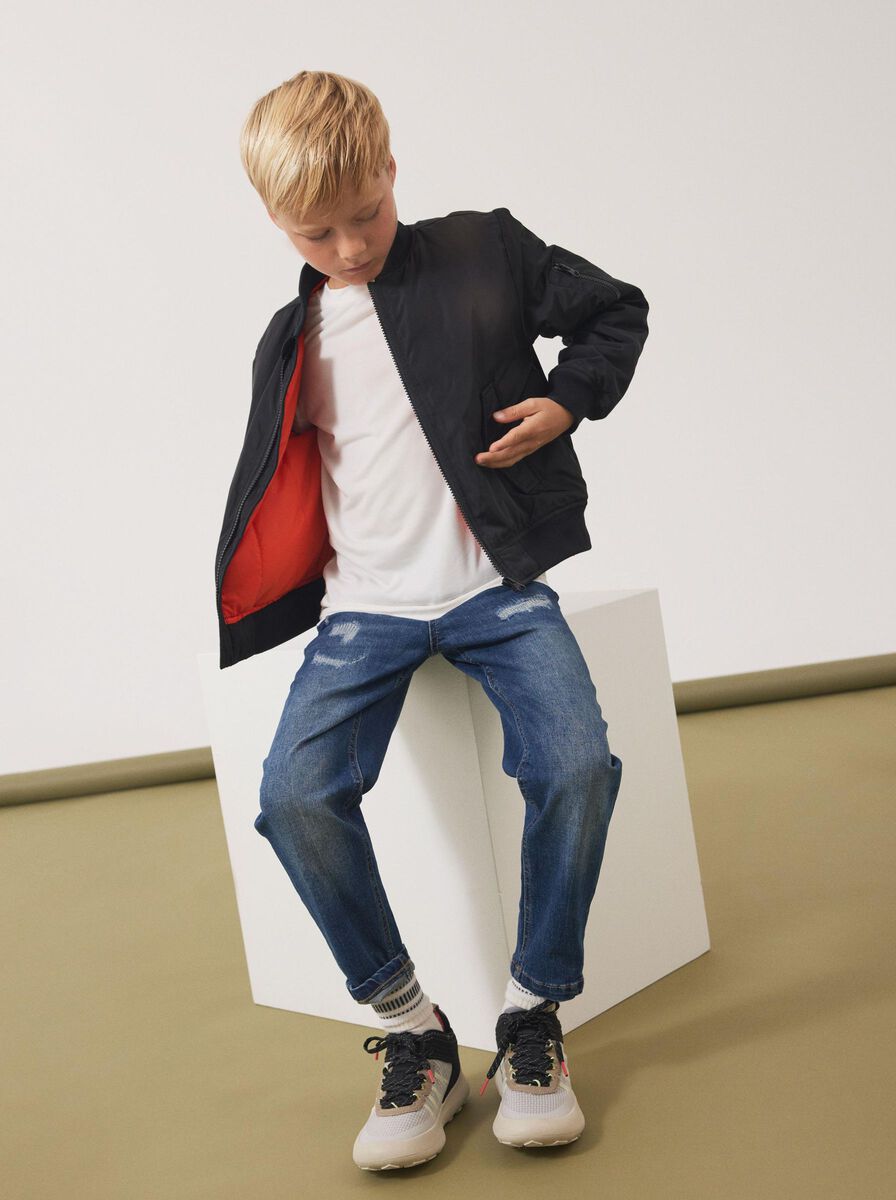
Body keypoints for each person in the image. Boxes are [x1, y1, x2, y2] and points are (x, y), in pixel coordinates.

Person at [216, 69, 650, 1171]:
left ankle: (532, 1014)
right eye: (317, 232)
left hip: (498, 591)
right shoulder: (290, 339)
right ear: (274, 221)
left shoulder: (482, 249)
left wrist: (569, 399)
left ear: (390, 170)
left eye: (365, 213)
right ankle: (414, 1031)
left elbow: (615, 309)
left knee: (578, 765)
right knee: (294, 799)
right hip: (366, 611)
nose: (350, 246)